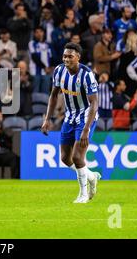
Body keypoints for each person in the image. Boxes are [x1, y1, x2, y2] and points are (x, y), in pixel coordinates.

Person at [40, 42, 100, 204]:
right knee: (65, 158)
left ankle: (83, 194)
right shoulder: (59, 71)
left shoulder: (87, 75)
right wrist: (47, 119)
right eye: (64, 56)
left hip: (86, 117)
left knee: (77, 157)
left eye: (70, 56)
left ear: (78, 58)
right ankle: (91, 176)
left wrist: (86, 129)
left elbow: (94, 103)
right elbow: (53, 96)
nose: (66, 59)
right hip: (70, 116)